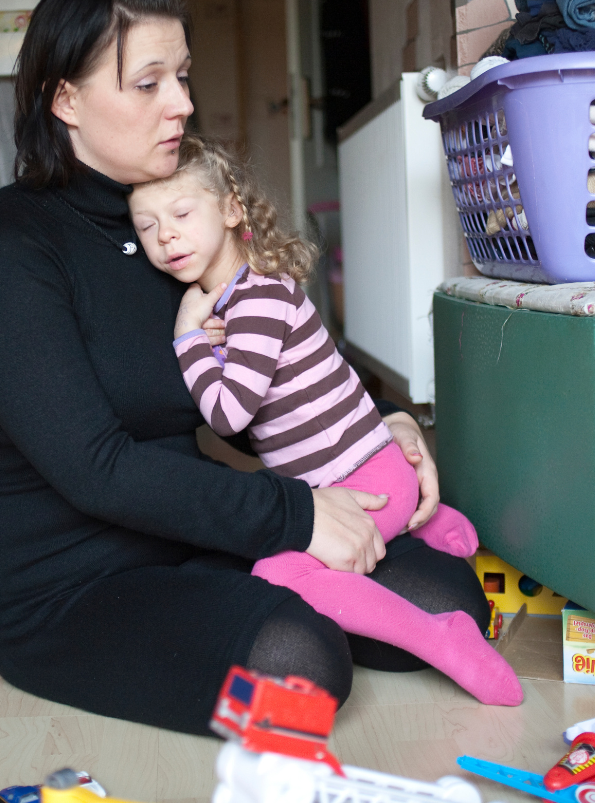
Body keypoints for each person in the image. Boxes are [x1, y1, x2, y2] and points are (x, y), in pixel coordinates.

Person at [0, 0, 494, 737]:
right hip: (64, 587)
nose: (183, 104)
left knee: (451, 599)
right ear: (65, 100)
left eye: (184, 76)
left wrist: (384, 422)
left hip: (193, 529)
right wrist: (293, 516)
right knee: (302, 665)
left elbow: (269, 376)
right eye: (149, 83)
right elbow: (94, 468)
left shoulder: (171, 230)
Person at [127, 135, 522, 707]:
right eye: (146, 226)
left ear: (232, 208)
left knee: (280, 573)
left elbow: (227, 413)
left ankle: (441, 638)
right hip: (364, 472)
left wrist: (188, 336)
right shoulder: (242, 299)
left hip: (361, 480)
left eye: (181, 213)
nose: (165, 235)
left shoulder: (257, 302)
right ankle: (422, 516)